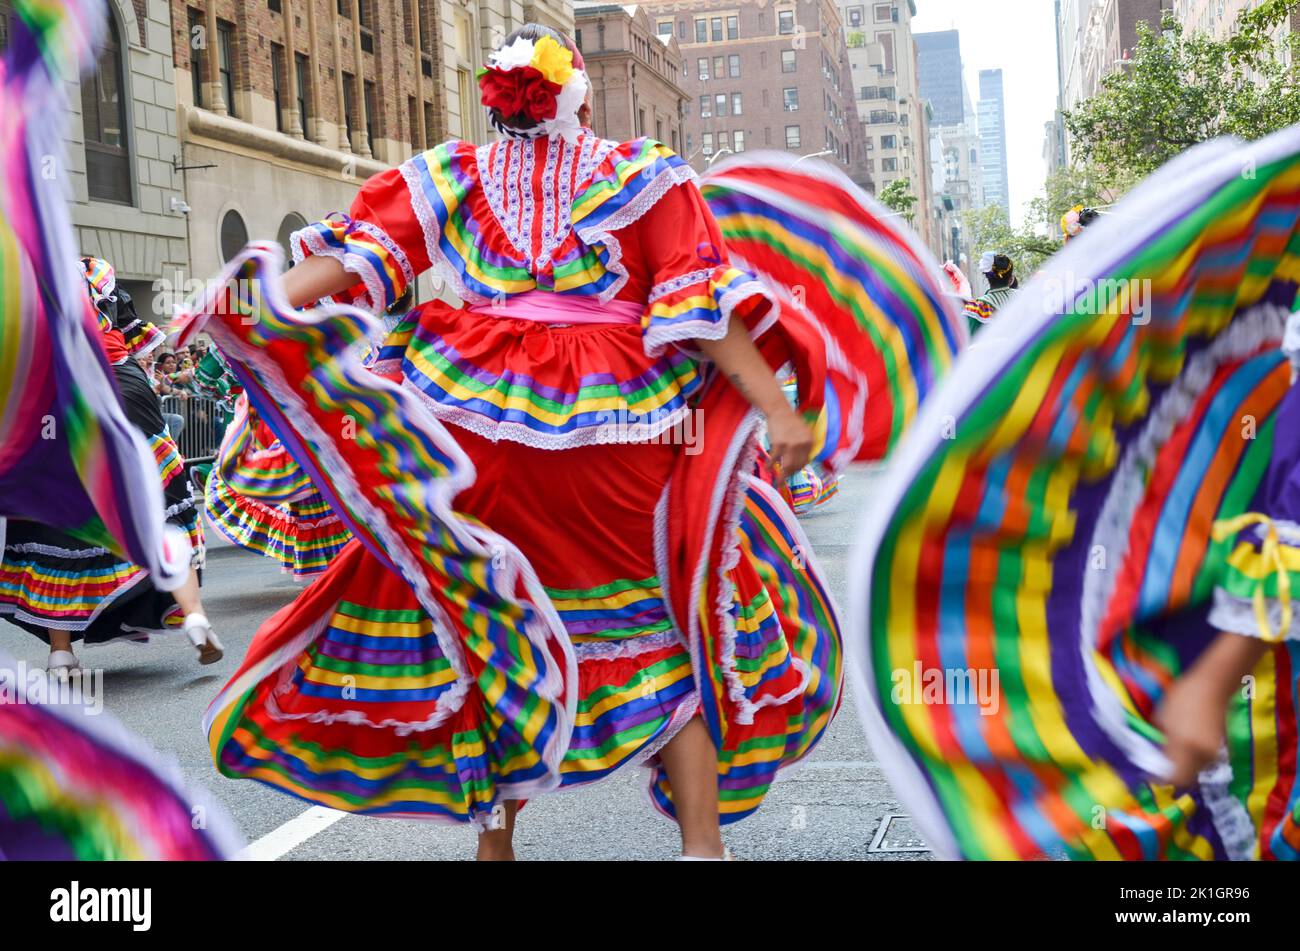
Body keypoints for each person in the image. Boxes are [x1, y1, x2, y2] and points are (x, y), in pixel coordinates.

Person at [187, 24, 848, 861]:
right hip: (619, 437)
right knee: (675, 626)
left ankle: (495, 850)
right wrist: (777, 409)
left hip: (474, 436)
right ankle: (702, 849)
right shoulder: (642, 174)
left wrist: (250, 308)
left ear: (498, 100)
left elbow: (357, 259)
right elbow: (700, 307)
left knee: (490, 633)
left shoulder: (452, 175)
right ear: (577, 92)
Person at [0, 258, 224, 677]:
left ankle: (61, 654)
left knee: (57, 526)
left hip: (58, 395)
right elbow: (137, 340)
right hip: (124, 387)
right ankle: (194, 616)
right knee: (163, 510)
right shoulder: (93, 271)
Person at [963, 251, 1018, 336]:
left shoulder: (977, 308)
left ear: (987, 277)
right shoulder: (1022, 298)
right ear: (1011, 279)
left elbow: (964, 340)